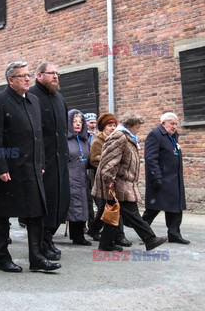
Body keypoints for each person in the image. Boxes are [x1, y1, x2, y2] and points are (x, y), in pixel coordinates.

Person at [0, 61, 60, 273]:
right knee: (2, 216)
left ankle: (36, 258)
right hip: (8, 169)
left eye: (28, 75)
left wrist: (41, 163)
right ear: (11, 80)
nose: (28, 79)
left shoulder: (33, 101)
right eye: (22, 76)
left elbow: (39, 136)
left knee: (36, 214)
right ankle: (2, 259)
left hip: (32, 169)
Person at [92, 113, 167, 251]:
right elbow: (109, 160)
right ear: (129, 126)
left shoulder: (127, 137)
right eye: (137, 127)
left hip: (122, 182)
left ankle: (105, 243)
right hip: (118, 183)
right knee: (132, 212)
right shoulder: (119, 136)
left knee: (113, 212)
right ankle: (149, 239)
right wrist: (109, 180)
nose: (138, 130)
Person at [28, 62, 70, 260]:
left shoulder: (60, 98)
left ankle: (49, 238)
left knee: (61, 202)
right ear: (39, 75)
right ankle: (42, 243)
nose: (55, 76)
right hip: (43, 160)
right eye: (51, 73)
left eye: (57, 73)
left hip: (60, 159)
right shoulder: (32, 96)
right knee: (46, 204)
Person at [142, 112, 190, 244]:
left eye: (176, 124)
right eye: (172, 124)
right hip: (162, 178)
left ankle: (174, 233)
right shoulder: (155, 135)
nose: (174, 126)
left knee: (175, 206)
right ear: (163, 123)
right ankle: (142, 230)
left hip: (174, 178)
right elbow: (151, 158)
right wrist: (156, 176)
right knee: (153, 207)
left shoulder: (173, 136)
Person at [87, 113, 132, 247]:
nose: (112, 128)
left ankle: (115, 235)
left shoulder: (118, 139)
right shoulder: (98, 142)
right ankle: (99, 231)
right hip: (103, 180)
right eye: (109, 126)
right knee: (106, 207)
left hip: (116, 178)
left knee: (115, 206)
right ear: (103, 127)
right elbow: (94, 160)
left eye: (114, 125)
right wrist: (109, 163)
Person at [66, 110, 92, 246]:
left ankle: (78, 235)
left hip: (82, 177)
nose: (78, 124)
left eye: (80, 121)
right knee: (73, 206)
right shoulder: (66, 140)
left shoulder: (84, 141)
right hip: (70, 177)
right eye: (74, 121)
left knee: (81, 205)